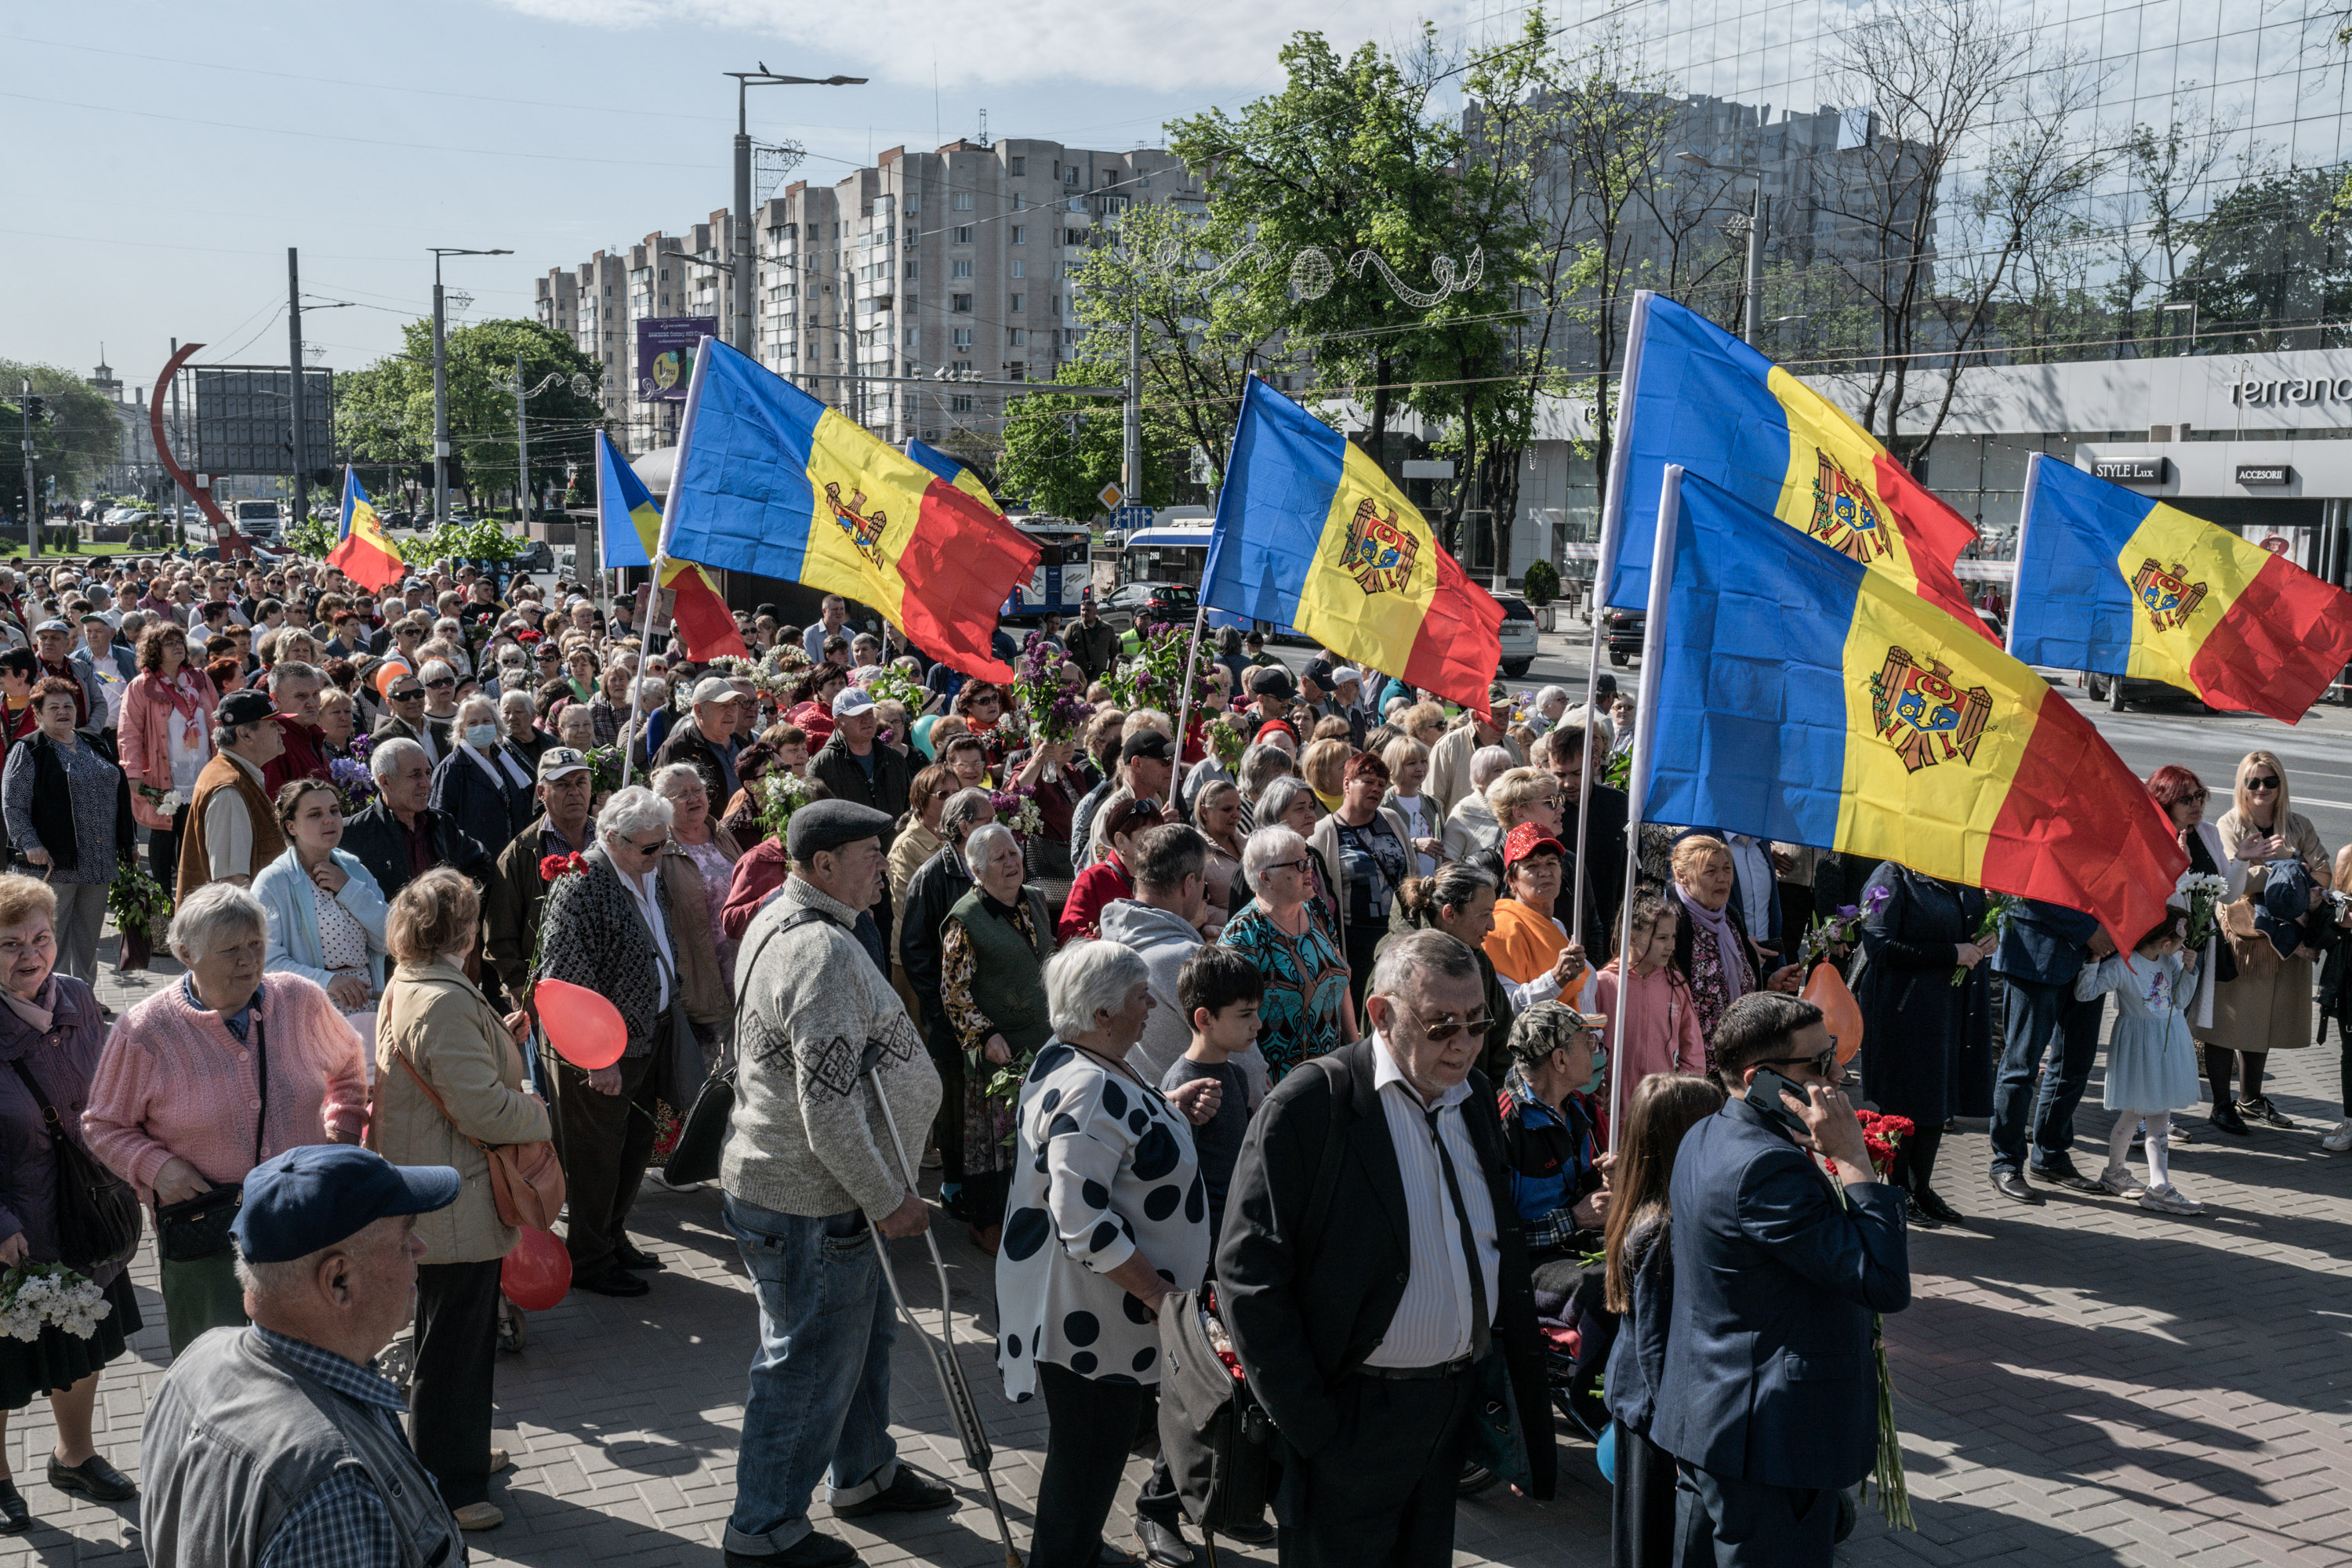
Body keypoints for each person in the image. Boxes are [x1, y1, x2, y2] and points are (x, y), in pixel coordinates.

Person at [1216, 929, 1557, 1568]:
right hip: (1351, 1416)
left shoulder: (1476, 1097)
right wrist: (1315, 1429)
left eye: (1478, 1024)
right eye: (1440, 1025)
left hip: (1445, 1411)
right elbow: (1247, 1275)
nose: (1463, 1043)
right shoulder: (1311, 1104)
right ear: (1381, 1013)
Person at [724, 797, 956, 1566]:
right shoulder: (821, 951)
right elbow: (826, 1107)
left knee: (856, 1341)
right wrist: (889, 1197)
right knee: (808, 1361)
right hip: (811, 1195)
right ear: (823, 865)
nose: (883, 872)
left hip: (805, 1185)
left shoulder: (783, 915)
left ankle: (862, 1471)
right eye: (868, 854)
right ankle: (763, 1529)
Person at [1650, 992, 1909, 1568]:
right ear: (1763, 1078)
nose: (1839, 1073)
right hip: (1768, 1443)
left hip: (1712, 1423)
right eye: (1819, 1063)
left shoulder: (1708, 1132)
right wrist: (1854, 1163)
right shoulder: (1767, 1168)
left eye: (1835, 1054)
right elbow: (1884, 1283)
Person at [995, 940, 1221, 1568]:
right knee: (1090, 1452)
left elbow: (1107, 1148)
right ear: (1101, 1014)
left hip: (1095, 1317)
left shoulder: (1080, 1057)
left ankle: (1075, 1550)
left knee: (1091, 1452)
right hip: (1097, 1320)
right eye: (1140, 997)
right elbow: (1083, 1219)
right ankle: (1064, 1559)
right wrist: (1157, 1297)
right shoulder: (1088, 1087)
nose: (1152, 1006)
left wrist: (1165, 1115)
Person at [137, 1145, 466, 1568]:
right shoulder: (334, 1493)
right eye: (405, 1238)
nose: (420, 1249)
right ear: (339, 1280)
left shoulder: (200, 1357)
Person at [84, 883, 369, 1354]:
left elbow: (348, 1067)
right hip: (205, 1236)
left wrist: (340, 1136)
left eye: (256, 944)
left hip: (304, 1223)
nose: (249, 960)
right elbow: (103, 1125)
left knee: (313, 1361)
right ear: (184, 953)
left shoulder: (299, 1000)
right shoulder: (145, 1032)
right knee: (217, 1378)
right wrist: (159, 1169)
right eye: (231, 949)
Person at [368, 867, 550, 1530]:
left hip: (441, 1188)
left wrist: (499, 1036)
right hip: (455, 1195)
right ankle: (449, 1484)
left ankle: (458, 1453)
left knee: (452, 1338)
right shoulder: (442, 998)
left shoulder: (418, 981)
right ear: (466, 931)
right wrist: (535, 1112)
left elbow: (450, 1068)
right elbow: (482, 1110)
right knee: (453, 1346)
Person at [0, 875, 142, 1525]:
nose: (30, 955)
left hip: (85, 1214)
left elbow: (117, 1094)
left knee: (82, 1345)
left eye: (41, 938)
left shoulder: (81, 998)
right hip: (15, 1233)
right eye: (9, 944)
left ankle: (75, 1457)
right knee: (4, 1366)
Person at [535, 786, 684, 1298]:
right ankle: (589, 1259)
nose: (659, 854)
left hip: (646, 1036)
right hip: (601, 1054)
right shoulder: (581, 882)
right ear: (612, 839)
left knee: (632, 1150)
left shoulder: (645, 869)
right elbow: (565, 982)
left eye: (663, 843)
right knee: (596, 1158)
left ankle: (613, 1236)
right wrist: (599, 1059)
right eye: (649, 847)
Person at [1601, 1073, 1728, 1568]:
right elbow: (1657, 1346)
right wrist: (1677, 1434)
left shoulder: (1643, 1207)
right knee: (1650, 1543)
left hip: (1640, 1409)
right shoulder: (1664, 1229)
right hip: (1655, 1419)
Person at [938, 822, 1056, 1254]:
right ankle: (988, 1226)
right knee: (997, 1147)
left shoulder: (1036, 900)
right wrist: (984, 1034)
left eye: (1014, 853)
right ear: (976, 870)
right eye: (1000, 858)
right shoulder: (965, 920)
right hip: (999, 1052)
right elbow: (954, 992)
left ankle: (1038, 1219)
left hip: (1043, 1039)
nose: (1012, 862)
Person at [1852, 862, 1990, 1228]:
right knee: (1905, 1100)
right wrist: (1951, 953)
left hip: (1948, 1008)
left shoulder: (1956, 872)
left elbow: (1969, 926)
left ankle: (1921, 1187)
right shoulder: (1892, 877)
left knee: (1937, 1099)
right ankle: (1897, 1190)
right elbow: (1878, 944)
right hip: (1904, 1010)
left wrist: (1988, 938)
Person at [2206, 749, 2331, 1131]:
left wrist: (2282, 865)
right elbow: (2233, 882)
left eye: (2270, 781)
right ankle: (2221, 1104)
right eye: (2254, 781)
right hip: (2242, 938)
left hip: (2284, 941)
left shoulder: (2298, 824)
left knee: (2262, 1019)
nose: (2262, 788)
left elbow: (2324, 875)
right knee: (2227, 1022)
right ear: (2242, 786)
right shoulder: (2229, 824)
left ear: (2281, 784)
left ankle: (2251, 1098)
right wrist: (2291, 871)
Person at [1, 677, 132, 984]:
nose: (63, 712)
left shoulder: (94, 743)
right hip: (54, 862)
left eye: (68, 706)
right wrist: (30, 844)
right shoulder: (29, 750)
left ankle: (83, 996)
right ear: (38, 713)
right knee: (50, 939)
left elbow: (119, 793)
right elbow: (12, 805)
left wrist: (127, 842)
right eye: (54, 707)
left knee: (88, 938)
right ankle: (52, 998)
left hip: (98, 861)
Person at [1985, 897, 2118, 1202]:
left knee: (2075, 1067)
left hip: (2092, 957)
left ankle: (2051, 1157)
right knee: (2021, 1066)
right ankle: (2006, 1162)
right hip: (2037, 951)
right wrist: (2087, 930)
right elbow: (2029, 883)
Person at [2080, 909, 2205, 1214]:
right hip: (2141, 1046)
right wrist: (2093, 963)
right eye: (2180, 942)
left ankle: (2117, 1173)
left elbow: (2180, 1001)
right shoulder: (2124, 965)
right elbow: (2085, 993)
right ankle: (2157, 1187)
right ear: (2164, 942)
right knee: (2149, 1112)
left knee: (2143, 1112)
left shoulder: (2169, 961)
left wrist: (2189, 971)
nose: (2183, 947)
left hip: (2168, 1040)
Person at [1099, 824, 1240, 1086]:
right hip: (1195, 1115)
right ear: (1189, 884)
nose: (1204, 894)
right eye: (1203, 883)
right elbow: (1244, 1058)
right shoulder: (1187, 959)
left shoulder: (1104, 948)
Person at [254, 780, 391, 1044]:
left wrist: (349, 889)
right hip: (308, 1017)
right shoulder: (273, 882)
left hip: (366, 1010)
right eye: (315, 814)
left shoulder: (354, 870)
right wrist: (327, 981)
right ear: (291, 826)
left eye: (334, 811)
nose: (329, 820)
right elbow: (266, 962)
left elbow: (389, 938)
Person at [1220, 824, 1354, 1083]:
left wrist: (1354, 1049)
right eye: (1298, 865)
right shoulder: (1243, 934)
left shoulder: (1315, 910)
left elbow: (1342, 977)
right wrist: (1260, 1081)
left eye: (1308, 860)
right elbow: (1232, 1020)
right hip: (1278, 1085)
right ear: (1266, 878)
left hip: (1331, 1074)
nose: (1309, 870)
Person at [1665, 835, 1797, 1061]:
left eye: (1727, 869)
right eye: (1710, 871)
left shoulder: (1730, 919)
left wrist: (1771, 983)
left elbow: (1735, 984)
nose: (1723, 879)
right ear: (1682, 876)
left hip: (1737, 1057)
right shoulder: (1671, 925)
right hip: (1689, 1066)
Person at [1166, 944, 1263, 1250]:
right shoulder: (1182, 1085)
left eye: (1257, 1012)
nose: (1257, 1024)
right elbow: (1183, 1179)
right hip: (1210, 1241)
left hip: (1242, 1226)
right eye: (1245, 1014)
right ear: (1205, 1019)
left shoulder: (1236, 1074)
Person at [482, 746, 595, 1007]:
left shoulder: (609, 838)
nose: (575, 792)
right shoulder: (521, 853)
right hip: (550, 989)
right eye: (563, 785)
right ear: (541, 793)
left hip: (607, 981)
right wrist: (520, 987)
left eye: (581, 782)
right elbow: (499, 934)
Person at [118, 623, 220, 895]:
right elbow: (128, 731)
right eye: (169, 643)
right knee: (164, 834)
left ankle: (195, 897)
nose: (178, 646)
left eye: (180, 641)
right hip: (164, 772)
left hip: (201, 769)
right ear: (154, 650)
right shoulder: (141, 686)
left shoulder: (200, 679)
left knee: (196, 836)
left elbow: (218, 721)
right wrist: (133, 772)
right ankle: (163, 901)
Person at [1308, 750, 1413, 1011]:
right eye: (1368, 781)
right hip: (1354, 943)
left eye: (1381, 784)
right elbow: (1320, 899)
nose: (1376, 788)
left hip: (1398, 934)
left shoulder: (1392, 819)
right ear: (1346, 784)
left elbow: (1411, 874)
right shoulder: (1325, 832)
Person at [339, 735, 494, 904]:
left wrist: (462, 904)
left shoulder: (440, 823)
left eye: (428, 773)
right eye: (415, 775)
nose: (426, 783)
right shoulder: (354, 834)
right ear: (385, 782)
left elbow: (480, 861)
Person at [653, 762, 747, 1022]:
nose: (693, 799)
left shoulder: (720, 832)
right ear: (663, 805)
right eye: (681, 795)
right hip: (700, 972)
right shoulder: (659, 850)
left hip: (745, 957)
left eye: (698, 790)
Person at [175, 688, 286, 901]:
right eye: (273, 724)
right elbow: (232, 886)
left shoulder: (233, 776)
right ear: (245, 734)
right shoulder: (229, 790)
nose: (282, 730)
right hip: (236, 929)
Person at [1592, 892, 1705, 1093]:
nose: (1671, 946)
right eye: (1662, 938)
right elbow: (1589, 1045)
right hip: (1613, 1108)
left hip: (1661, 1106)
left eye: (1673, 937)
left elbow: (1692, 1049)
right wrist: (1596, 1087)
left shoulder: (1676, 985)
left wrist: (1684, 1093)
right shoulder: (1602, 984)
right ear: (1632, 938)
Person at [430, 691, 535, 856]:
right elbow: (440, 824)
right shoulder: (452, 769)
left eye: (486, 721)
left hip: (512, 858)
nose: (480, 727)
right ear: (462, 730)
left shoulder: (506, 760)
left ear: (496, 724)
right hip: (476, 863)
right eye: (472, 723)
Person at [1059, 794, 1166, 944]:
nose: (1158, 844)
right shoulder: (1093, 878)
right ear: (1121, 841)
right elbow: (1068, 937)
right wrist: (1104, 940)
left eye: (1160, 835)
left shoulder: (1163, 876)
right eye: (1149, 837)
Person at [1442, 746, 1514, 862]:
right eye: (1497, 770)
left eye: (1508, 768)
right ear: (1480, 777)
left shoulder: (1520, 808)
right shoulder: (1465, 811)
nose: (1506, 774)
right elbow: (1448, 862)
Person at [1067, 597, 1119, 683]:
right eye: (1083, 610)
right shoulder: (1073, 628)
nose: (1084, 613)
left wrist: (1110, 673)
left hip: (1099, 677)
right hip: (1078, 677)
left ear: (1096, 612)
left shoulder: (1107, 629)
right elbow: (1065, 652)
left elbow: (1114, 653)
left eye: (1088, 610)